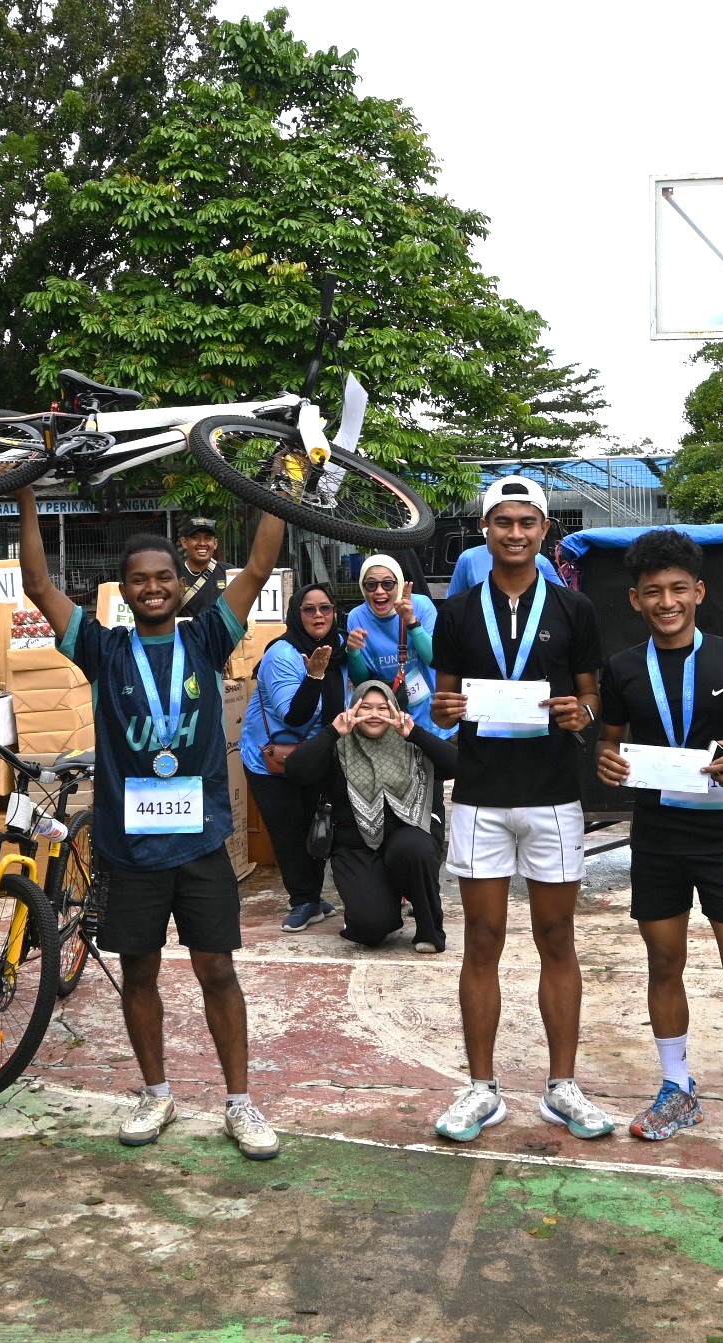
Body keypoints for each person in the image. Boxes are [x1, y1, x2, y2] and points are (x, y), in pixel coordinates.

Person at [16, 485, 289, 1160]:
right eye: (139, 580)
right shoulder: (101, 649)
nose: (152, 588)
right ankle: (156, 1090)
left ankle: (238, 1101)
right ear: (123, 590)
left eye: (163, 577)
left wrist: (278, 491)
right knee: (137, 975)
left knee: (216, 971)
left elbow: (255, 568)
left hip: (198, 845)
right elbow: (36, 583)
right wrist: (22, 495)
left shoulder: (206, 635)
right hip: (128, 849)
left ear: (180, 581)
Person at [427, 474, 611, 1143]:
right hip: (479, 795)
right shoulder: (456, 610)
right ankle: (482, 1088)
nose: (513, 533)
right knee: (481, 940)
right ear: (485, 530)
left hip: (554, 794)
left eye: (525, 522)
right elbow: (444, 703)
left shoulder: (572, 609)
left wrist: (577, 713)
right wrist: (442, 710)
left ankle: (562, 1085)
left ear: (543, 529)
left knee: (556, 938)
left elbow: (592, 700)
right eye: (501, 522)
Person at [594, 530, 723, 1169]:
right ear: (635, 599)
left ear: (699, 592)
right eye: (654, 592)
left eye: (679, 589)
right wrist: (607, 764)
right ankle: (678, 1087)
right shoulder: (622, 668)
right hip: (656, 837)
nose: (667, 601)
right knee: (664, 962)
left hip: (720, 836)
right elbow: (609, 746)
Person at [287, 681, 460, 950]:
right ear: (352, 710)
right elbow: (295, 770)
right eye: (365, 707)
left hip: (407, 837)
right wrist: (334, 732)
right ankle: (379, 904)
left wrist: (416, 734)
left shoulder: (410, 743)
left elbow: (458, 765)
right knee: (370, 930)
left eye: (383, 707)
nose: (374, 714)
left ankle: (429, 930)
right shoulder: (339, 747)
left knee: (414, 849)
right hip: (354, 846)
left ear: (394, 711)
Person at [243, 583, 346, 931]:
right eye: (309, 609)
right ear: (295, 614)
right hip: (272, 759)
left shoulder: (338, 647)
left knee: (317, 824)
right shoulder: (282, 655)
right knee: (288, 830)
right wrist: (314, 676)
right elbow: (294, 715)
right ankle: (302, 900)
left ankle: (313, 896)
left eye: (326, 608)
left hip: (316, 754)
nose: (318, 615)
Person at [345, 553, 444, 735]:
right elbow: (361, 680)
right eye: (371, 585)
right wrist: (353, 652)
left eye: (388, 584)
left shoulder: (420, 605)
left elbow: (434, 659)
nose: (379, 591)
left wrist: (412, 622)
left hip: (431, 715)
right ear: (362, 587)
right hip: (389, 719)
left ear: (398, 584)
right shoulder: (357, 617)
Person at [177, 516, 227, 618]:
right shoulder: (174, 574)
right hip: (187, 633)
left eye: (208, 538)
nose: (202, 543)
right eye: (195, 538)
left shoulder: (228, 572)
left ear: (215, 543)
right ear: (184, 542)